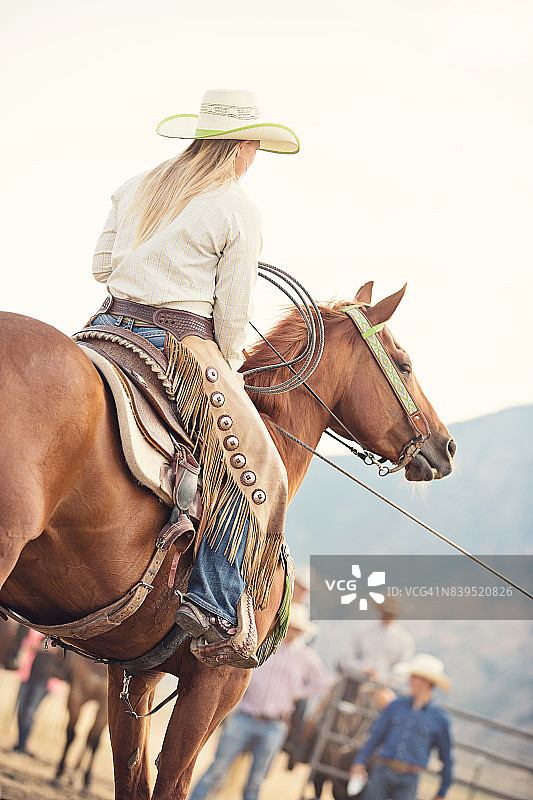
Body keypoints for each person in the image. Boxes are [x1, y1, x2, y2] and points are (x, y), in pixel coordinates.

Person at [88, 89, 300, 668]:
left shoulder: (138, 184)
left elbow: (101, 266)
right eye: (255, 147)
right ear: (243, 145)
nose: (254, 157)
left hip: (105, 326)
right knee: (257, 469)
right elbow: (231, 319)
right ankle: (212, 601)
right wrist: (228, 368)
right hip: (180, 343)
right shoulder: (237, 208)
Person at [189, 603, 331, 800]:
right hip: (245, 716)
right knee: (217, 769)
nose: (293, 632)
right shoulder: (263, 645)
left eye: (297, 629)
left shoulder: (306, 658)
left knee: (256, 781)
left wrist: (296, 692)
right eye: (291, 627)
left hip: (274, 725)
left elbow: (323, 683)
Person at [350, 653, 453, 800]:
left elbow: (446, 756)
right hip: (383, 771)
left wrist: (442, 791)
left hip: (409, 778)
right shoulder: (395, 707)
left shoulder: (439, 719)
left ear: (427, 683)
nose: (410, 681)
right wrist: (359, 762)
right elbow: (375, 736)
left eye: (415, 678)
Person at [345, 597, 415, 686]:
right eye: (386, 612)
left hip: (385, 685)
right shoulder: (362, 630)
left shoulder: (404, 639)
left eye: (391, 613)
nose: (388, 616)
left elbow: (403, 671)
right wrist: (362, 668)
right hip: (355, 680)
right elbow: (347, 658)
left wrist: (381, 677)